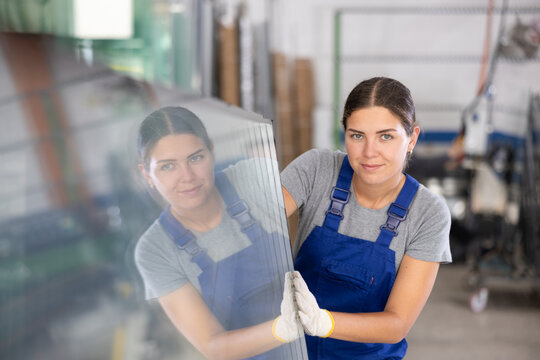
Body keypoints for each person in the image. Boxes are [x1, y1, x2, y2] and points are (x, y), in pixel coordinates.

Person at [280, 77, 452, 359]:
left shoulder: (428, 213)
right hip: (295, 350)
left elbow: (396, 323)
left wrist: (323, 322)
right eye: (357, 135)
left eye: (386, 136)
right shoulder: (317, 169)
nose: (369, 152)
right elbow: (257, 225)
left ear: (412, 138)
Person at [134, 106, 302, 360]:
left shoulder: (253, 177)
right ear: (147, 174)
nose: (187, 177)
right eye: (168, 167)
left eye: (195, 158)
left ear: (211, 151)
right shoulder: (155, 250)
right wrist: (284, 327)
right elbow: (214, 346)